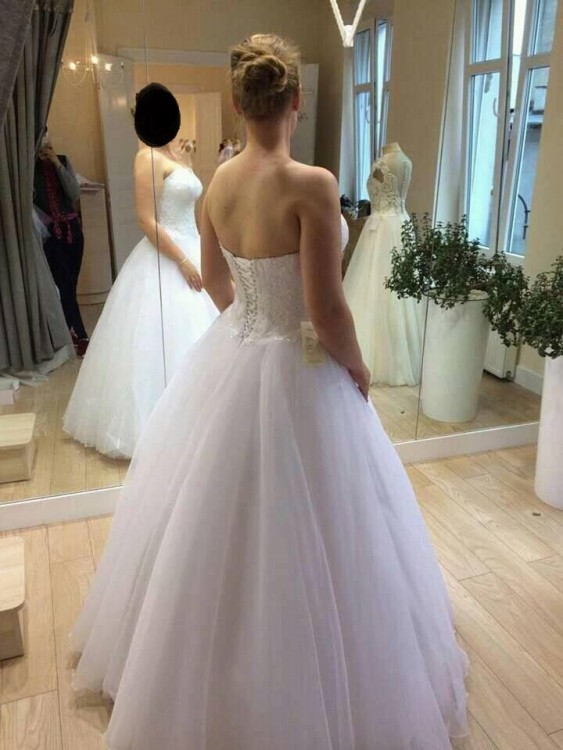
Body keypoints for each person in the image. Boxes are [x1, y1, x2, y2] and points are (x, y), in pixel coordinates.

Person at [71, 34, 468, 749]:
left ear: (237, 102)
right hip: (298, 365)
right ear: (296, 100)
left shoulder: (218, 183)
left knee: (212, 520)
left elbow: (217, 281)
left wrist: (250, 327)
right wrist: (355, 367)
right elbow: (326, 309)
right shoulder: (311, 183)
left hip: (235, 353)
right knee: (328, 522)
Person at [63, 132, 217, 459]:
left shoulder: (181, 155)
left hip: (193, 244)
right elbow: (146, 219)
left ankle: (211, 423)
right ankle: (166, 429)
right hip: (167, 255)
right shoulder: (146, 157)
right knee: (163, 338)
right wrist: (183, 261)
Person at [34, 129, 89, 356]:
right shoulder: (28, 169)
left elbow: (74, 193)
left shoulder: (63, 160)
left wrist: (56, 163)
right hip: (52, 236)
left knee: (70, 286)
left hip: (73, 232)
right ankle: (81, 335)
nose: (44, 139)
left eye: (46, 134)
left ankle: (68, 334)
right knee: (65, 284)